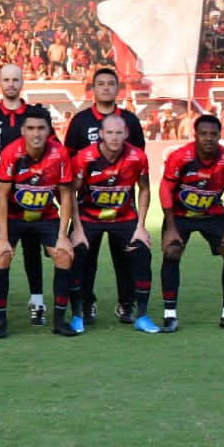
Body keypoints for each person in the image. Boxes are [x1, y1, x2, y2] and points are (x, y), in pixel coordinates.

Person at [63, 67, 146, 326]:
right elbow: (70, 160)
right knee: (85, 257)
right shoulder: (81, 120)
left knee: (126, 258)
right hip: (87, 208)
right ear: (94, 88)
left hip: (122, 206)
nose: (106, 88)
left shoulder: (130, 120)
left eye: (111, 83)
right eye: (101, 84)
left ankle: (126, 304)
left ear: (118, 88)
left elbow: (137, 162)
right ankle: (86, 304)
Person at [0, 107, 81, 338]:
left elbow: (66, 195)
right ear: (22, 130)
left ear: (49, 130)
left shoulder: (59, 154)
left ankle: (60, 321)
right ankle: (0, 320)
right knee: (1, 256)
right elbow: (1, 196)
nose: (36, 134)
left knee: (64, 255)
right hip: (14, 216)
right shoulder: (11, 154)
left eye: (41, 128)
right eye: (30, 128)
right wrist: (2, 239)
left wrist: (63, 235)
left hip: (46, 216)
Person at [0, 64, 48, 325]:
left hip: (32, 195)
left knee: (32, 251)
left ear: (22, 82)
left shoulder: (37, 115)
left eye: (16, 79)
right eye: (7, 79)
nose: (11, 84)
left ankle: (37, 302)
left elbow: (53, 148)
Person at [68, 114, 160, 334]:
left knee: (141, 253)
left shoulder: (137, 157)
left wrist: (141, 226)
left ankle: (139, 314)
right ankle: (80, 312)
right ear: (101, 134)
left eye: (119, 132)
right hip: (89, 218)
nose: (114, 137)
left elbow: (145, 189)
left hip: (125, 218)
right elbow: (70, 192)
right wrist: (77, 229)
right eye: (109, 132)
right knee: (78, 255)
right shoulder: (85, 158)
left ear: (126, 134)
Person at [159, 114, 224, 332]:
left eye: (213, 134)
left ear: (220, 135)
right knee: (172, 252)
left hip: (213, 214)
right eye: (203, 134)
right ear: (195, 135)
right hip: (180, 216)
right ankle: (170, 316)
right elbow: (165, 189)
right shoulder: (181, 156)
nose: (208, 138)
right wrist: (170, 228)